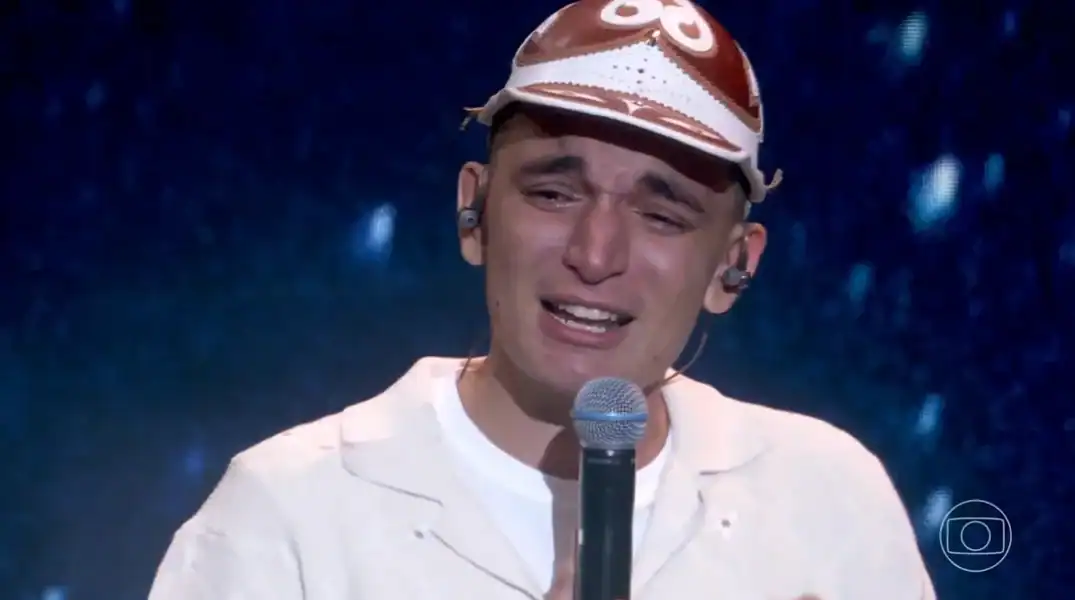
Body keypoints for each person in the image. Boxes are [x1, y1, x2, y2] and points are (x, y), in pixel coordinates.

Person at [148, 1, 936, 599]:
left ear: (732, 267)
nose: (594, 255)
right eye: (554, 193)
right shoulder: (288, 512)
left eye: (661, 215)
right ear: (474, 213)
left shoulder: (821, 496)